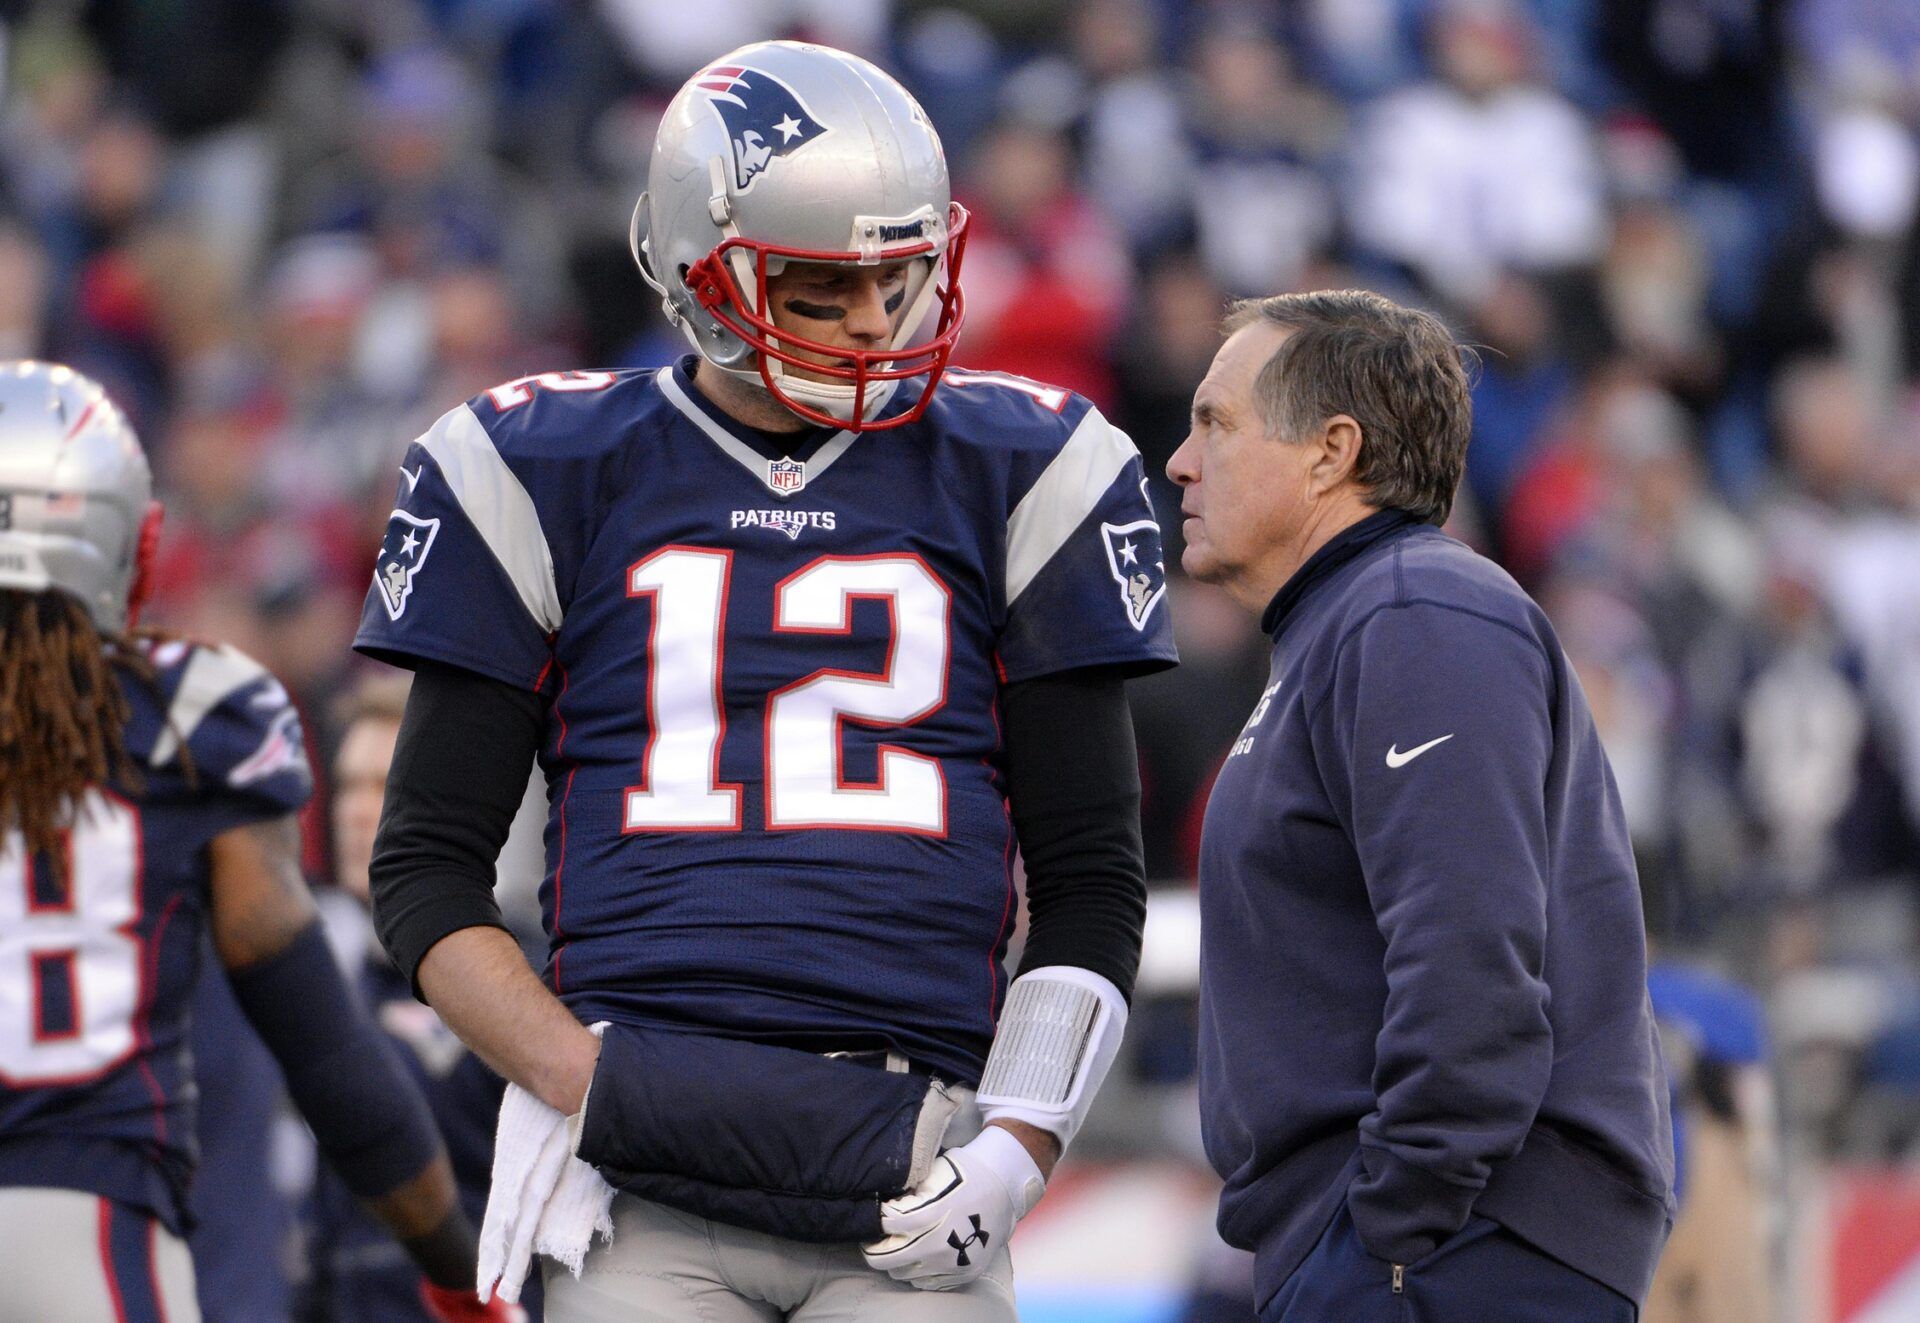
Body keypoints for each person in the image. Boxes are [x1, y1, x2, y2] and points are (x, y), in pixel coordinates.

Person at [354, 39, 1176, 1322]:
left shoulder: (1022, 465)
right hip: (637, 1169)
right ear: (698, 269)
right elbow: (421, 873)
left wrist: (1016, 1153)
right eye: (820, 288)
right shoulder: (544, 466)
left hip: (917, 1151)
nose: (872, 323)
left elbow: (1089, 883)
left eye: (899, 279)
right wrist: (584, 1082)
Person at [1166, 292, 1674, 1322]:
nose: (1180, 460)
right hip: (1401, 1246)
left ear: (1329, 452)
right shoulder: (1352, 627)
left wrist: (1393, 1228)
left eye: (1215, 422)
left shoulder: (1416, 614)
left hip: (1454, 1249)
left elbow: (1469, 958)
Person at [0, 362, 517, 1323]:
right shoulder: (188, 714)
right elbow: (325, 1049)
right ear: (126, 542)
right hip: (90, 1226)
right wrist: (454, 1271)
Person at [306, 672, 542, 1321]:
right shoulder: (326, 980)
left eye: (382, 785)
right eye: (348, 784)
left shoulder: (531, 981)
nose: (355, 810)